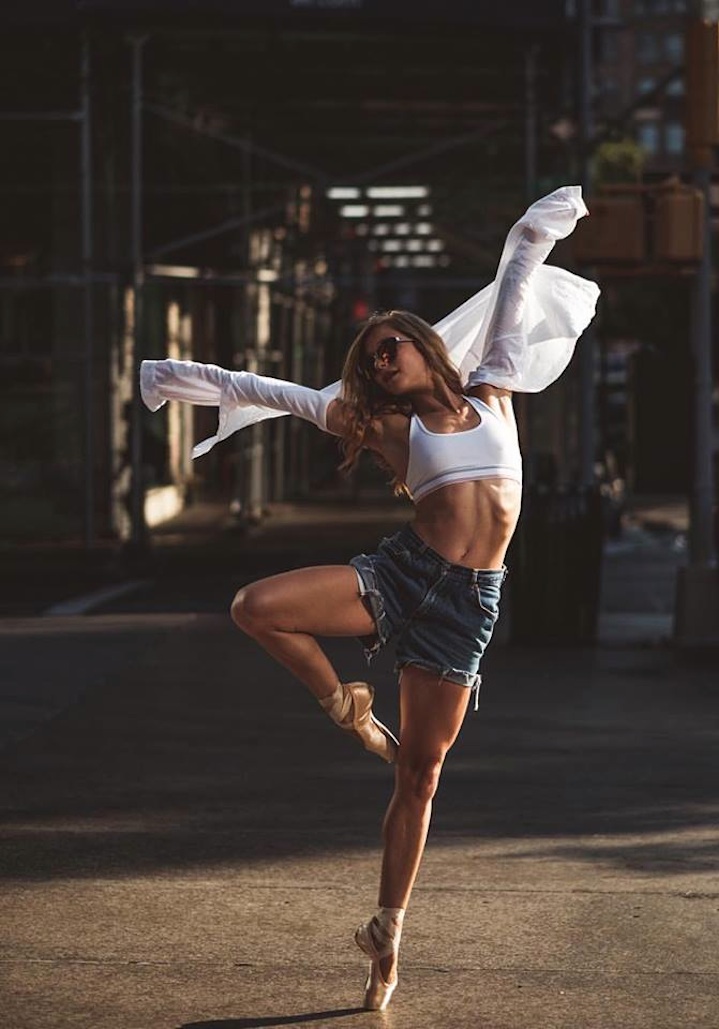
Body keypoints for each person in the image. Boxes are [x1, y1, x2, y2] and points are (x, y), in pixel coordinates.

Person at [140, 185, 599, 1011]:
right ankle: (346, 705)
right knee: (255, 605)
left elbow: (517, 274)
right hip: (398, 576)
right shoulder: (385, 428)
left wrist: (541, 221)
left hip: (467, 605)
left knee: (419, 777)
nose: (383, 359)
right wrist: (168, 377)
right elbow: (270, 389)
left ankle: (387, 936)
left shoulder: (492, 386)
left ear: (426, 349)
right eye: (373, 356)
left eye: (393, 347)